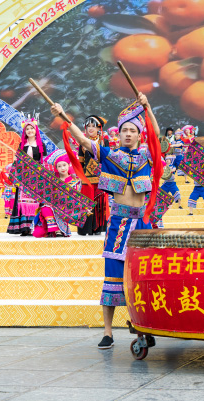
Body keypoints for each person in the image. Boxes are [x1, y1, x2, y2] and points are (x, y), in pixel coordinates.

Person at [51, 92, 162, 350]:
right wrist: (62, 116)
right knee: (112, 279)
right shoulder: (111, 156)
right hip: (119, 226)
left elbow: (157, 136)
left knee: (143, 280)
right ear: (119, 134)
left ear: (139, 135)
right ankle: (108, 332)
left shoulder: (147, 155)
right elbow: (81, 138)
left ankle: (143, 327)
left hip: (143, 226)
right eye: (124, 130)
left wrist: (148, 107)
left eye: (133, 130)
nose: (128, 134)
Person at [8, 117, 46, 236]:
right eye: (27, 129)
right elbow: (17, 161)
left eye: (31, 128)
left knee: (34, 202)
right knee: (21, 201)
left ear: (36, 130)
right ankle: (24, 228)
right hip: (24, 177)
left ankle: (34, 226)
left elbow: (43, 162)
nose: (30, 131)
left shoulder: (41, 145)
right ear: (25, 132)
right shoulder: (22, 145)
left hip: (36, 177)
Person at [33, 150, 80, 238]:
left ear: (68, 165)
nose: (62, 168)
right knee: (45, 208)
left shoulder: (75, 182)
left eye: (64, 165)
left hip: (65, 208)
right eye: (59, 166)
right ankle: (55, 230)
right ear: (56, 168)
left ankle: (55, 230)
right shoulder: (53, 180)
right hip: (52, 207)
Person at [77, 115, 109, 236]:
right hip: (87, 179)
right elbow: (80, 162)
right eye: (88, 126)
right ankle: (86, 229)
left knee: (100, 201)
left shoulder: (104, 142)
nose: (90, 128)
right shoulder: (83, 143)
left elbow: (108, 159)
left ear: (99, 128)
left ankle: (98, 228)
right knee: (87, 202)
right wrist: (80, 175)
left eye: (93, 126)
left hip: (101, 177)